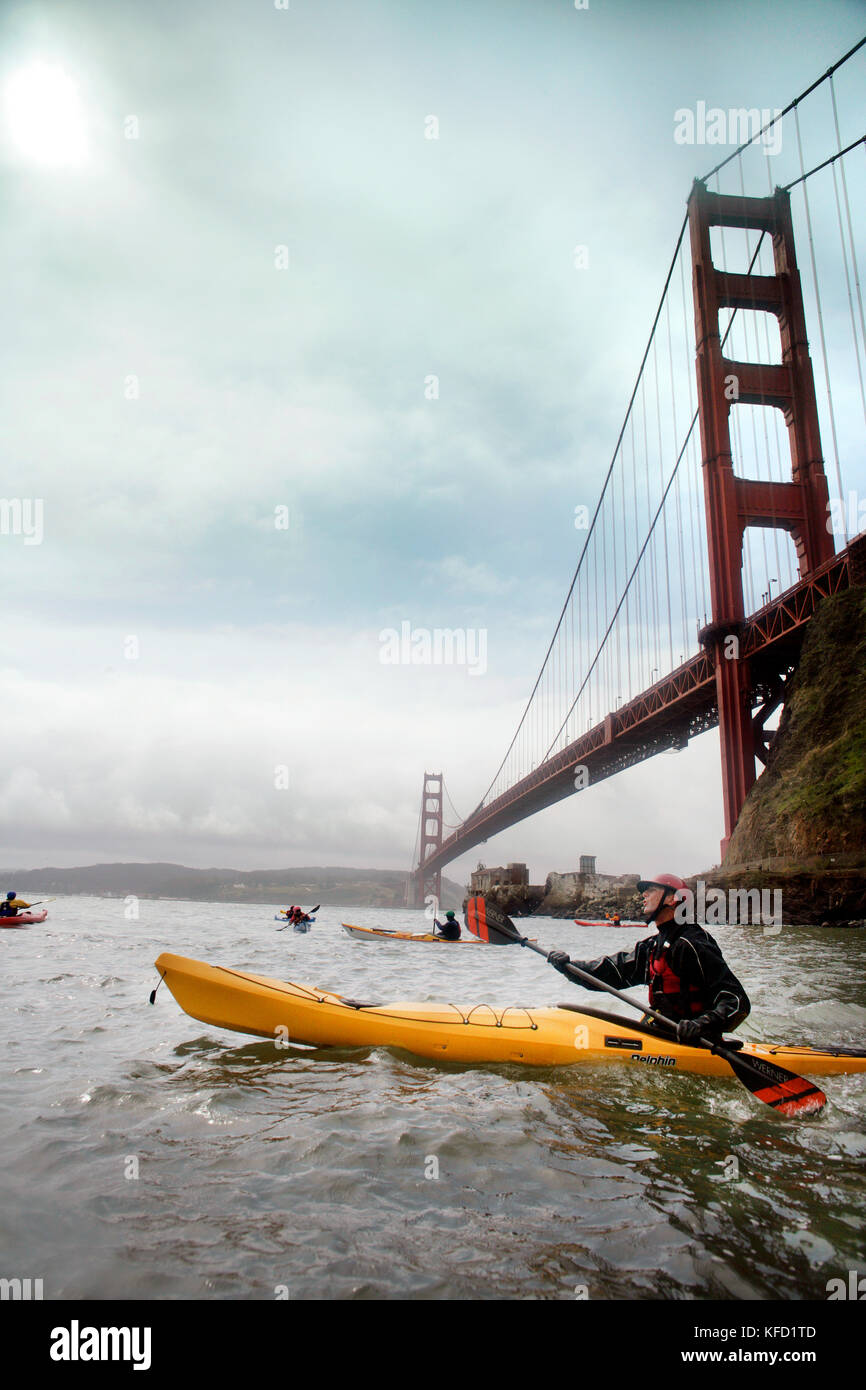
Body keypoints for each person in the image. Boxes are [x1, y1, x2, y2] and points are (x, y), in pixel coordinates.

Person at [548, 873, 750, 1043]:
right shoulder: (653, 946)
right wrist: (569, 966)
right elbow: (612, 971)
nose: (643, 895)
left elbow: (737, 1001)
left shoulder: (692, 944)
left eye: (651, 890)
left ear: (672, 899)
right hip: (660, 1032)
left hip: (696, 1042)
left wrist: (701, 1025)